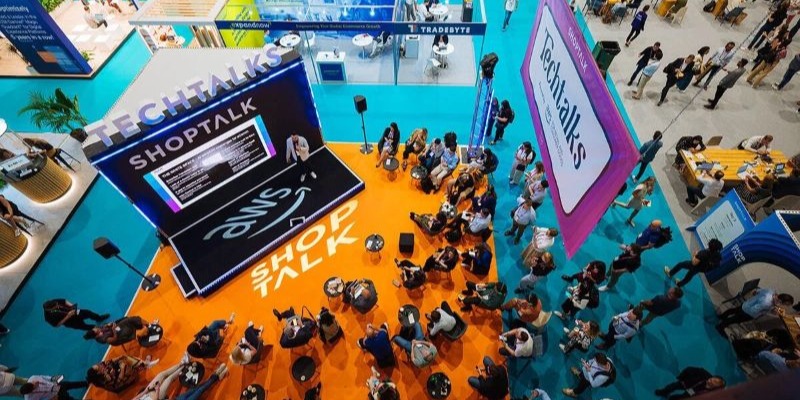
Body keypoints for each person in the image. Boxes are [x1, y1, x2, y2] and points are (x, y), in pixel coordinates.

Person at [715, 288, 793, 334]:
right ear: (780, 300)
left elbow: (757, 291)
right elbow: (754, 310)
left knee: (733, 311)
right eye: (785, 304)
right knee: (734, 319)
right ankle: (720, 326)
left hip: (747, 303)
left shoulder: (771, 291)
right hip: (748, 312)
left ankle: (722, 316)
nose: (784, 306)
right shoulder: (767, 303)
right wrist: (771, 310)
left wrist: (773, 307)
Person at [86, 355, 158, 392]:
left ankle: (145, 364)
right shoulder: (105, 380)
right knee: (127, 366)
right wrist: (122, 369)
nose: (99, 365)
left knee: (125, 358)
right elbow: (118, 381)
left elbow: (109, 362)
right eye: (98, 368)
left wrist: (120, 357)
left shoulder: (100, 367)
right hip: (121, 381)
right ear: (98, 373)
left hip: (116, 373)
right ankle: (145, 364)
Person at [654, 367, 726, 398]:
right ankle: (663, 392)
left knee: (679, 397)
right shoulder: (704, 374)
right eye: (712, 378)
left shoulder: (712, 393)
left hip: (692, 393)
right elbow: (689, 369)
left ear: (716, 386)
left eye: (715, 382)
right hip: (686, 384)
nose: (711, 380)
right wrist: (681, 377)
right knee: (672, 386)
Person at [42, 299, 109, 332]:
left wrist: (72, 307)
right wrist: (68, 316)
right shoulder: (48, 317)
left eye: (57, 305)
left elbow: (64, 301)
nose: (57, 305)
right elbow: (57, 325)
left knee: (88, 313)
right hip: (70, 322)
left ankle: (99, 318)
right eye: (55, 306)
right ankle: (100, 329)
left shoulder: (54, 302)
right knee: (85, 326)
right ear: (50, 309)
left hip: (74, 311)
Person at [83, 316, 148, 346]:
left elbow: (104, 326)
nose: (96, 328)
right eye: (95, 330)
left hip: (118, 328)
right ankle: (142, 332)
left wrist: (108, 325)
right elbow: (114, 339)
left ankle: (148, 325)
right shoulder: (102, 339)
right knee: (130, 330)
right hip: (119, 337)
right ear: (95, 334)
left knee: (131, 319)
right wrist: (114, 330)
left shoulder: (98, 330)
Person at [19, 375, 88, 400]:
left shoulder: (33, 378)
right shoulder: (29, 398)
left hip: (56, 385)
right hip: (55, 396)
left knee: (71, 384)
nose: (36, 383)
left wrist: (53, 378)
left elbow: (44, 377)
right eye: (35, 386)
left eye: (33, 383)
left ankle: (86, 383)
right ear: (32, 391)